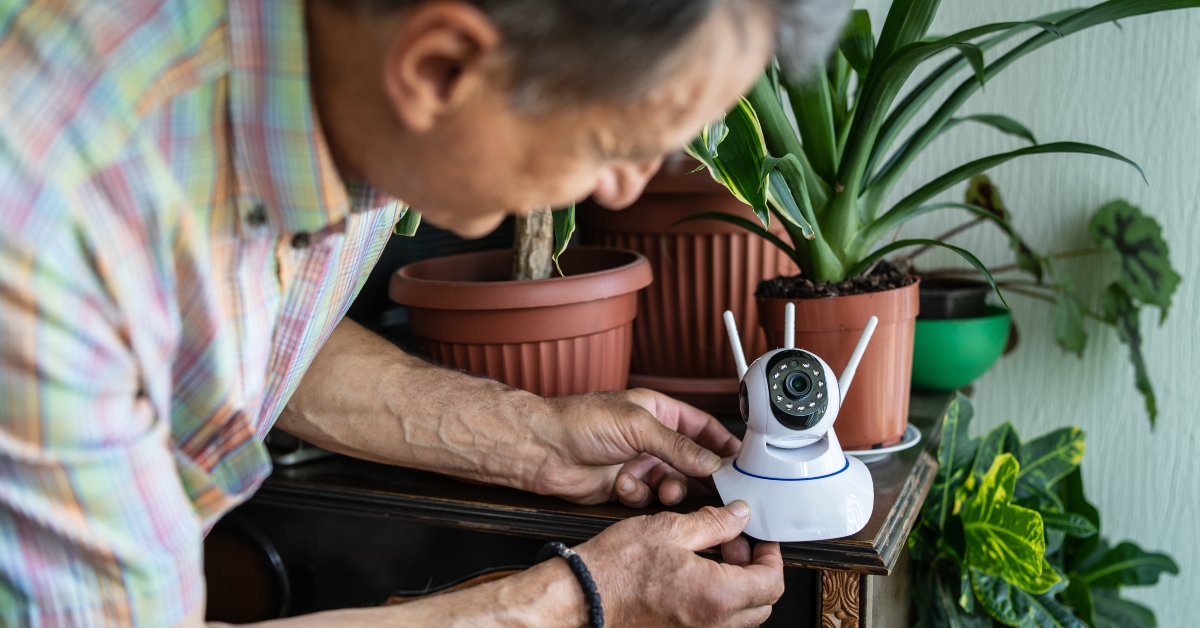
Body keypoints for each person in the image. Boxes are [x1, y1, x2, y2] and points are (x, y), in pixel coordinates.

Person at [0, 0, 847, 625]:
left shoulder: (355, 73)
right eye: (613, 146)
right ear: (438, 69)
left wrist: (533, 440)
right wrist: (582, 600)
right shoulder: (49, 225)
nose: (625, 191)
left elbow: (228, 323)